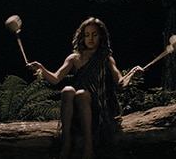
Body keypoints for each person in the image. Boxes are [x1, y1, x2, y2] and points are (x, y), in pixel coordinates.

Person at [27, 16, 142, 159]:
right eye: (87, 35)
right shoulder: (74, 58)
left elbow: (120, 83)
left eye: (94, 35)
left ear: (101, 37)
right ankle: (66, 141)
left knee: (81, 94)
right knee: (68, 90)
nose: (90, 38)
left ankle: (89, 146)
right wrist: (41, 68)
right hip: (76, 113)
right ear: (82, 37)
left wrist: (132, 74)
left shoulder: (106, 58)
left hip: (97, 111)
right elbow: (55, 80)